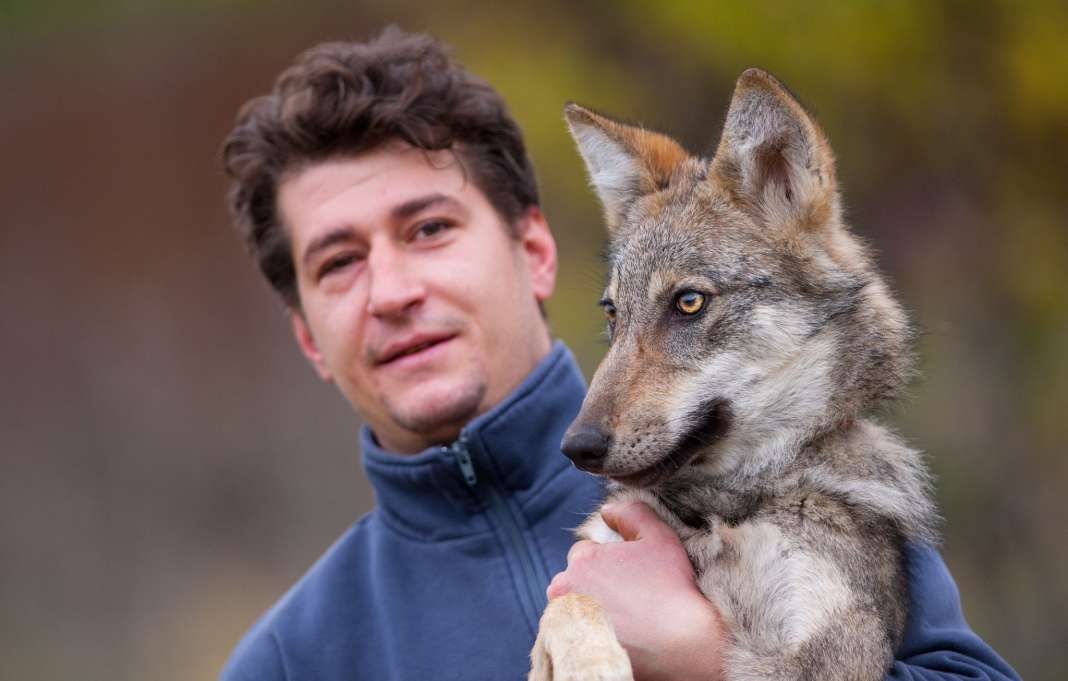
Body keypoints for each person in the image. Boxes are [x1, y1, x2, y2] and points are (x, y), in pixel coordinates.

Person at [218, 27, 1019, 681]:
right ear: (306, 334)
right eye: (339, 262)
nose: (392, 291)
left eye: (429, 229)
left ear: (536, 251)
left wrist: (703, 658)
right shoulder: (291, 661)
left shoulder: (807, 470)